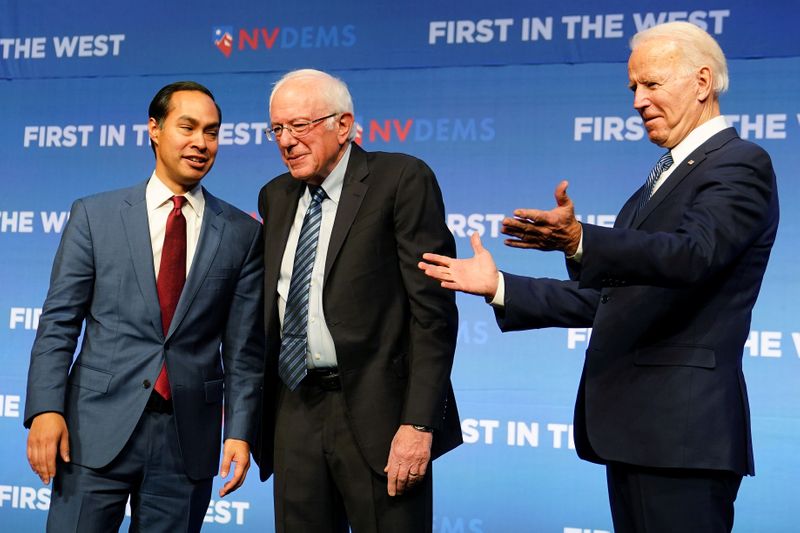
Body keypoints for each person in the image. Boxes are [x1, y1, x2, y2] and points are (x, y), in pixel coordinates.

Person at [419, 22, 778, 533]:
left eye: (651, 84)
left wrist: (582, 240)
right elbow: (609, 300)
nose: (637, 100)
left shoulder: (740, 164)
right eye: (633, 87)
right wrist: (500, 286)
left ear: (702, 82)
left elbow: (694, 254)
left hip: (681, 434)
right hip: (636, 430)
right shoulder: (653, 186)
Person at [24, 81, 265, 532]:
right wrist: (45, 410)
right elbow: (59, 323)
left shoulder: (241, 233)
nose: (201, 142)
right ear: (154, 130)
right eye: (187, 127)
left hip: (186, 438)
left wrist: (240, 431)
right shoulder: (95, 215)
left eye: (212, 132)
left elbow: (244, 350)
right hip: (92, 430)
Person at [254, 68, 461, 532]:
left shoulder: (401, 179)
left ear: (343, 125)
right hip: (295, 409)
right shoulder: (275, 196)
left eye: (300, 126)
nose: (286, 141)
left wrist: (419, 423)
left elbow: (432, 314)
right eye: (278, 129)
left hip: (380, 415)